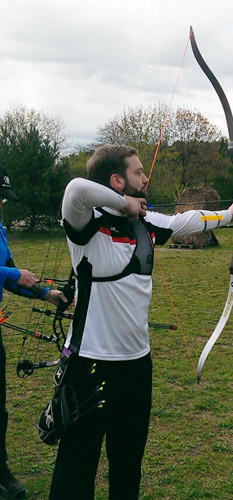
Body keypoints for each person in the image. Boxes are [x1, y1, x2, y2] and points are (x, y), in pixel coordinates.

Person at [49, 144, 233, 500]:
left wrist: (230, 214)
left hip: (137, 367)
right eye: (138, 172)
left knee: (128, 466)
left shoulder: (146, 224)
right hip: (89, 365)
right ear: (117, 180)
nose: (146, 177)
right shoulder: (85, 225)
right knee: (76, 470)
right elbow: (75, 189)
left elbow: (185, 221)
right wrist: (122, 203)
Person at [0, 164, 69, 499]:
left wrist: (47, 293)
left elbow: (11, 275)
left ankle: (0, 469)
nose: (2, 204)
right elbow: (8, 274)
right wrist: (8, 274)